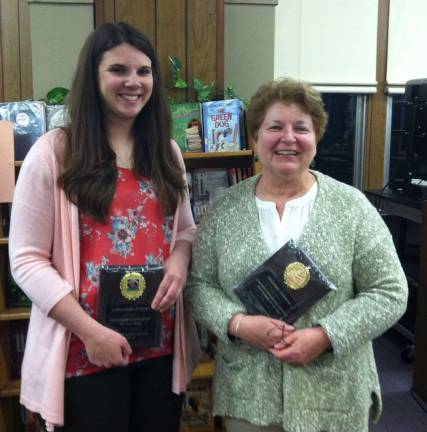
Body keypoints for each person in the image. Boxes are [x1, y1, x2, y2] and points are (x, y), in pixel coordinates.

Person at [185, 77, 408, 432]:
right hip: (249, 398)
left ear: (315, 140)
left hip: (334, 398)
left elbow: (390, 291)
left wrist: (325, 335)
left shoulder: (351, 207)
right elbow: (198, 286)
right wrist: (238, 324)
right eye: (275, 127)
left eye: (301, 128)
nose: (288, 138)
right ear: (255, 139)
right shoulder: (223, 210)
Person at [9, 22, 200, 432]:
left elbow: (185, 230)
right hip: (84, 350)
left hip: (158, 346)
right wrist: (90, 331)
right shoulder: (56, 153)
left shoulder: (166, 151)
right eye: (118, 70)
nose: (133, 82)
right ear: (93, 77)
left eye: (144, 71)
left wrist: (180, 261)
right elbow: (25, 259)